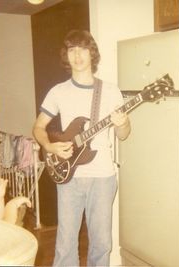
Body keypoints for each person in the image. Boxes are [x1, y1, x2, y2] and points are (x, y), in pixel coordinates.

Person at [33, 30, 131, 266]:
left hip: (102, 177)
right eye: (71, 49)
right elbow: (38, 127)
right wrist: (50, 146)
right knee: (65, 245)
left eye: (82, 49)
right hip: (69, 177)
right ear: (66, 55)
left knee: (102, 244)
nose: (77, 55)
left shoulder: (110, 91)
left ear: (92, 53)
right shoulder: (58, 92)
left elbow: (124, 135)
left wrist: (123, 123)